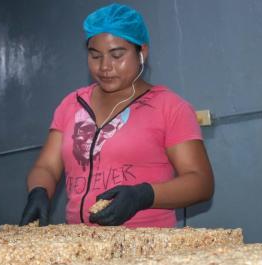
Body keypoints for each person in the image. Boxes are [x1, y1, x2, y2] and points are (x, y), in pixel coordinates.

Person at [19, 3, 213, 228]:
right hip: (81, 246)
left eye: (117, 55)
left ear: (142, 52)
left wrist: (144, 195)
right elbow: (47, 167)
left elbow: (201, 182)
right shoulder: (72, 105)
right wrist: (39, 191)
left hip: (147, 247)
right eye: (95, 56)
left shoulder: (168, 107)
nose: (104, 67)